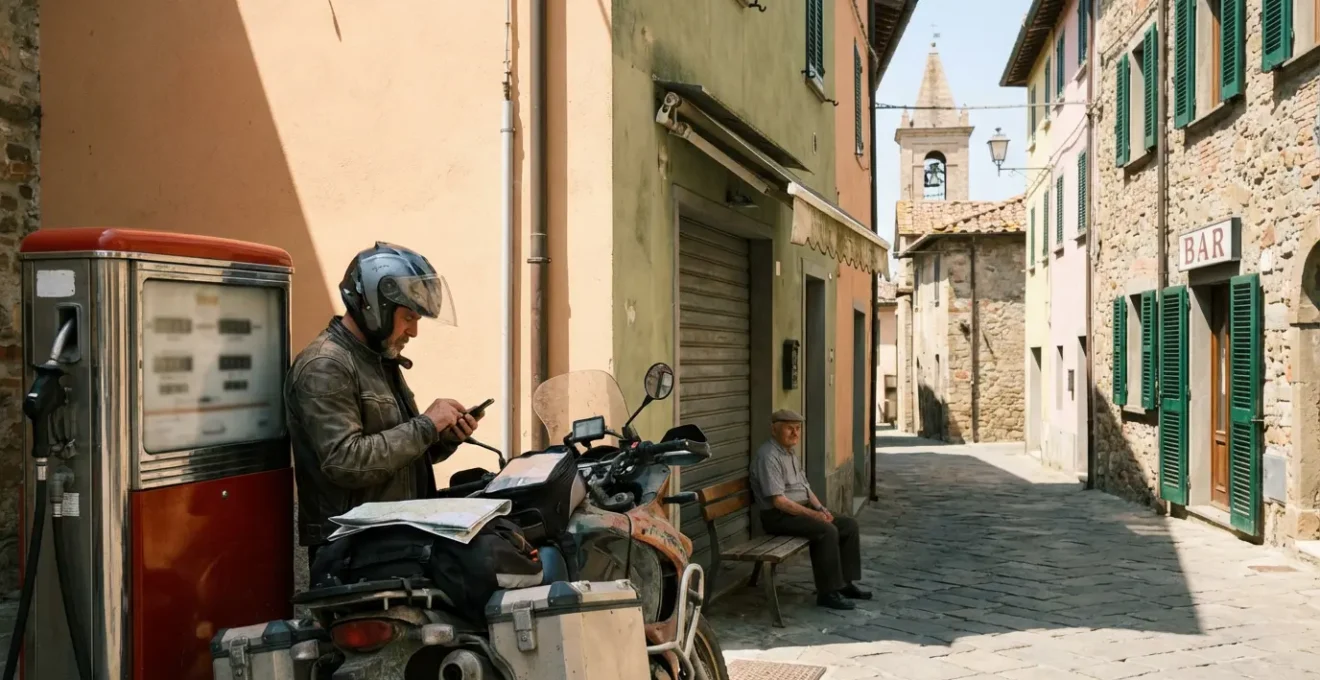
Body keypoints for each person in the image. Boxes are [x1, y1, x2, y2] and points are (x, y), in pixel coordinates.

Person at [286, 242, 480, 563]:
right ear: (376, 309)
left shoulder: (377, 359)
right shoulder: (325, 365)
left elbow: (391, 457)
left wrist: (442, 438)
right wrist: (426, 425)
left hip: (395, 537)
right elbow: (345, 462)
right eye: (409, 317)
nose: (413, 331)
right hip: (353, 552)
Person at [749, 409, 871, 610]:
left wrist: (821, 509)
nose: (795, 433)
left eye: (798, 429)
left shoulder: (790, 453)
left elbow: (805, 488)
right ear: (774, 429)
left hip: (797, 511)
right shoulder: (768, 457)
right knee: (826, 531)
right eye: (790, 428)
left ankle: (844, 584)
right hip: (778, 517)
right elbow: (779, 501)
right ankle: (827, 593)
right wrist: (815, 516)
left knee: (848, 525)